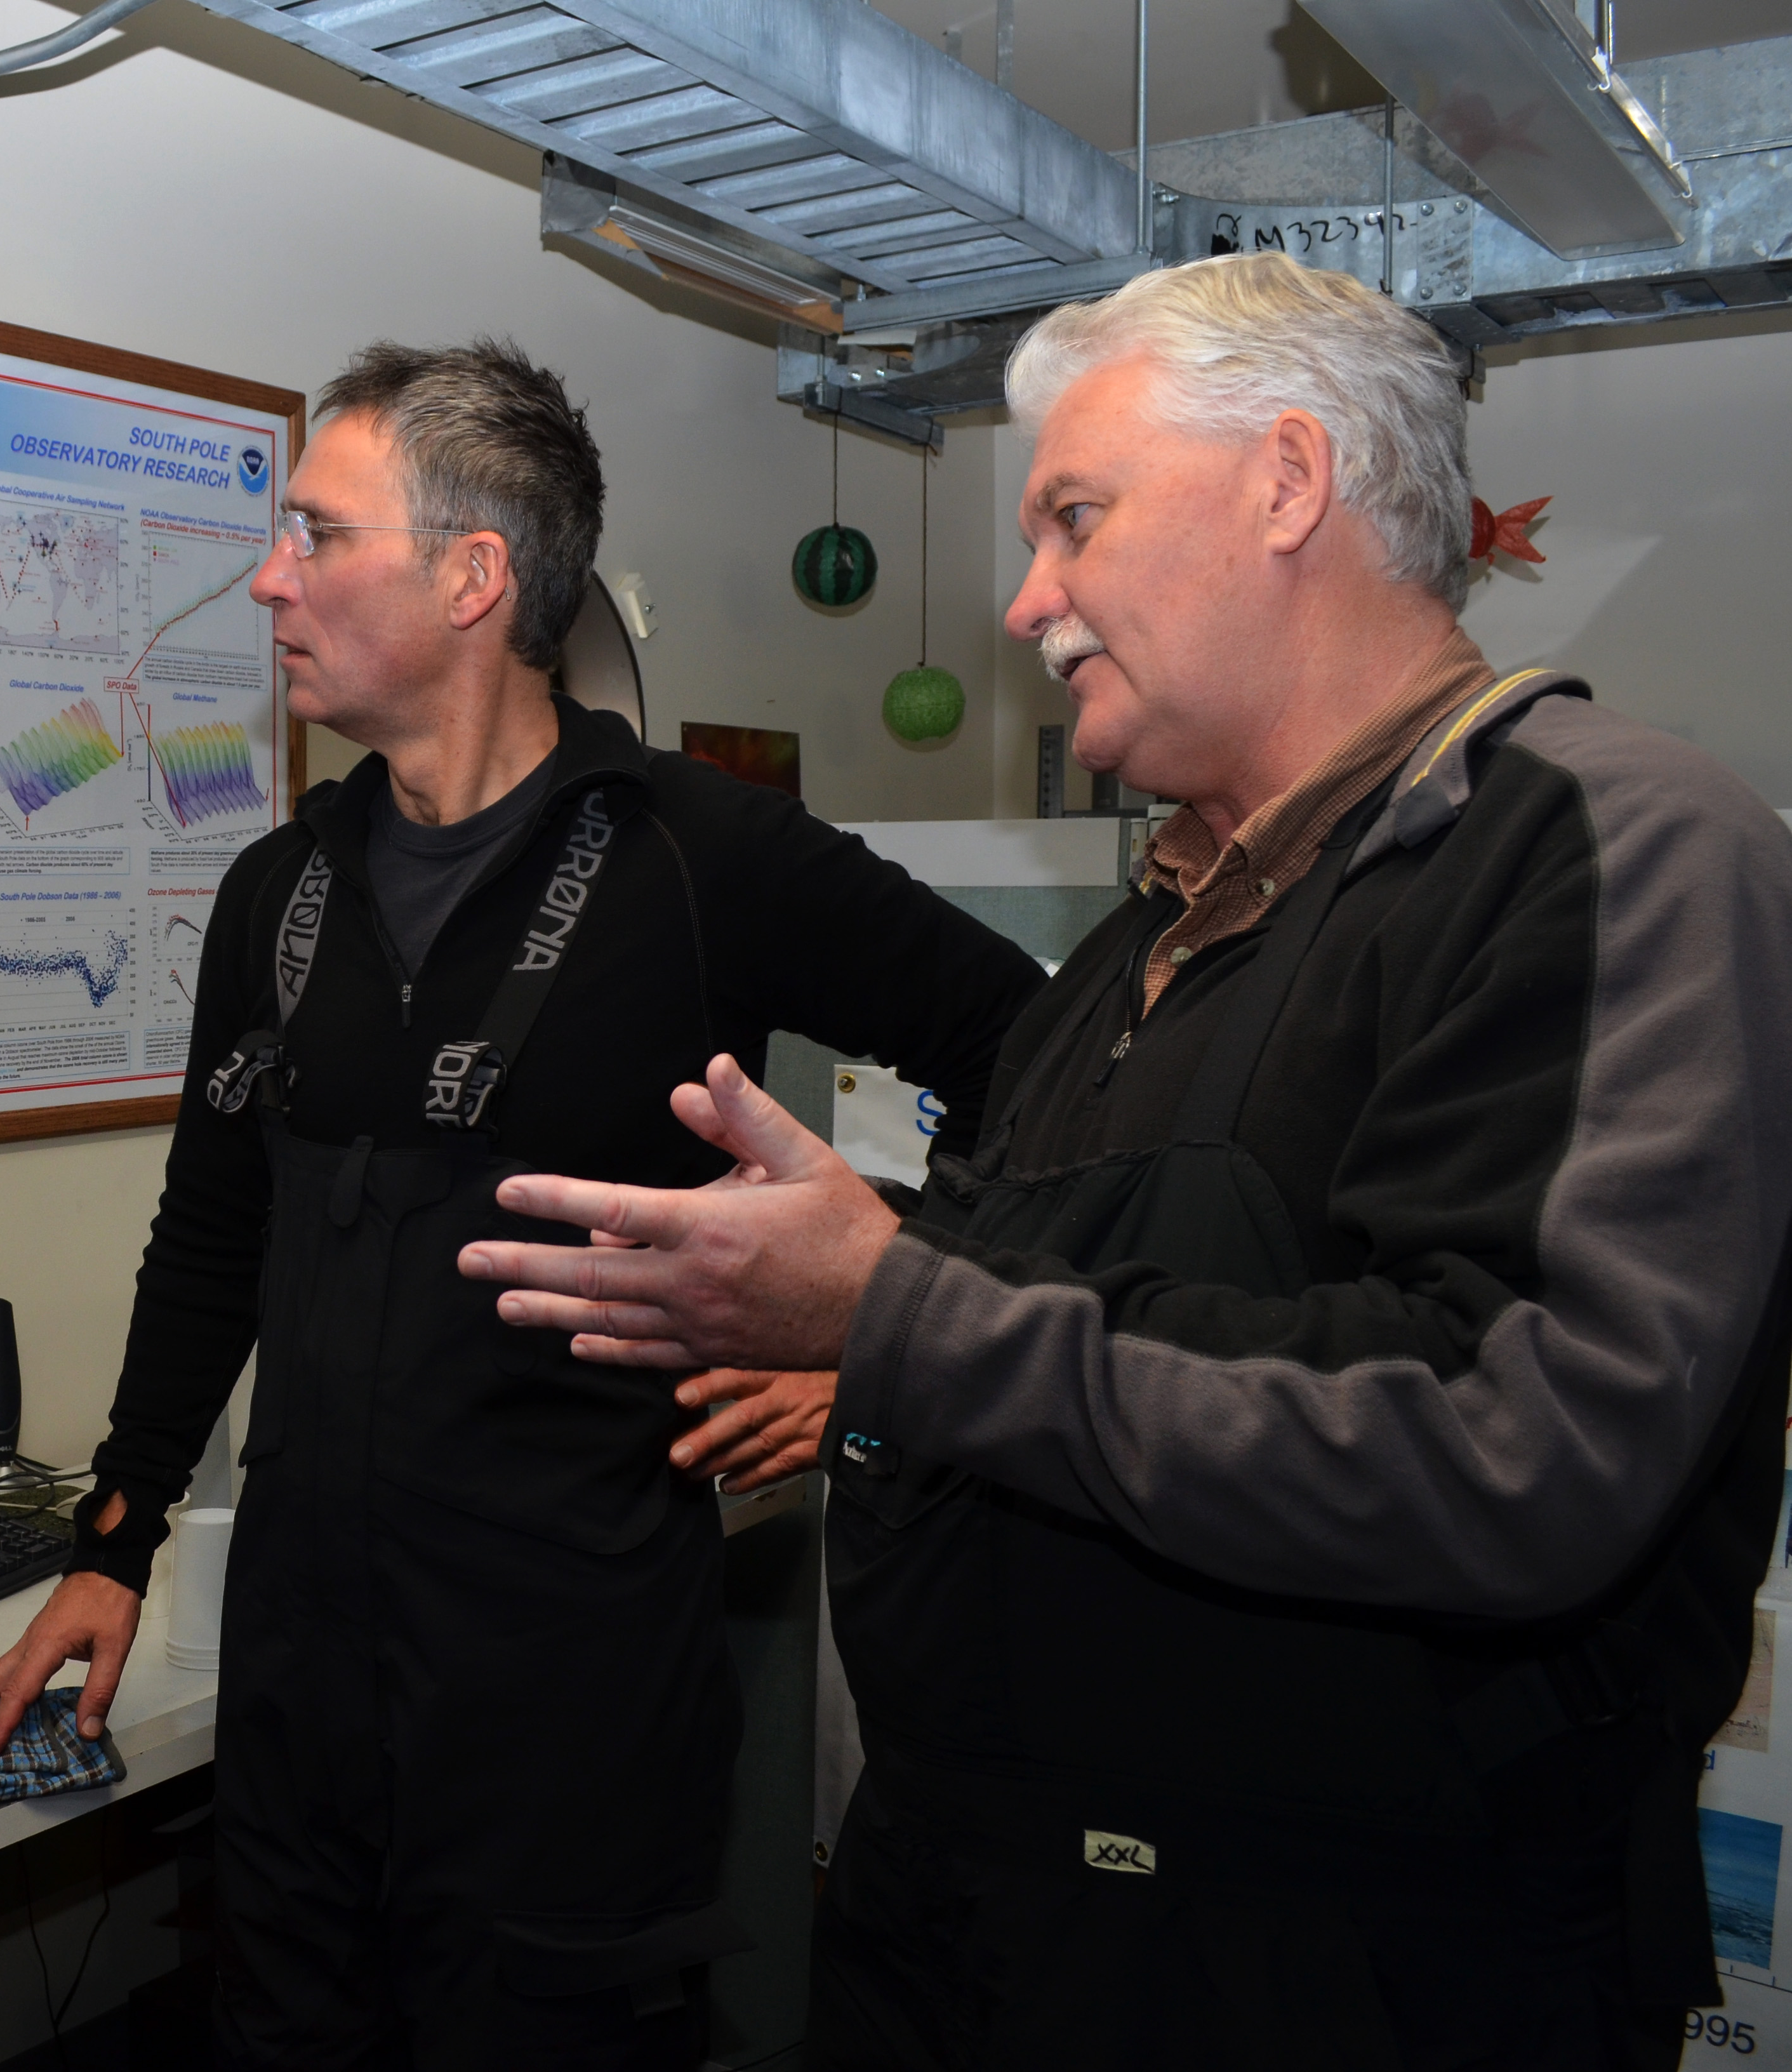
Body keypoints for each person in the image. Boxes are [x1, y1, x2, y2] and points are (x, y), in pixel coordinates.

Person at [464, 251, 1792, 2069]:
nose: (1028, 604)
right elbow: (1092, 1295)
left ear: (1288, 483)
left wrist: (893, 1310)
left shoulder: (1610, 848)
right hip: (978, 1935)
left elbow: (1520, 1445)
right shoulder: (1128, 949)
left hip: (1350, 1991)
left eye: (1074, 520)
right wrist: (826, 1291)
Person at [0, 338, 1045, 2068]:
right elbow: (212, 1229)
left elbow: (1038, 1053)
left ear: (475, 576)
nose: (267, 576)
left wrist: (882, 1326)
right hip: (305, 1699)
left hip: (573, 1712)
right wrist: (115, 1534)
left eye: (317, 533)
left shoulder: (703, 860)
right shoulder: (275, 894)